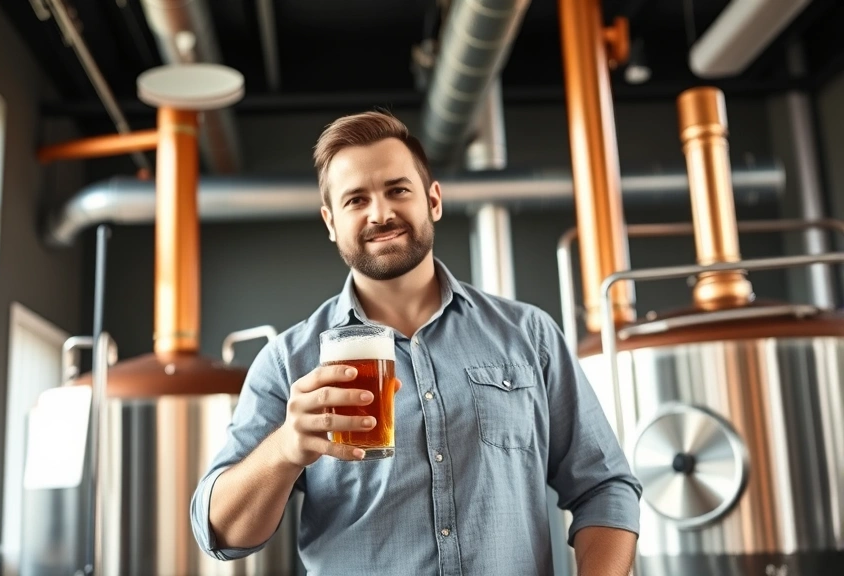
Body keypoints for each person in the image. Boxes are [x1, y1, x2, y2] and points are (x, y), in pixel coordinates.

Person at [190, 111, 642, 575]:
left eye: (397, 190)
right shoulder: (289, 362)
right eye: (355, 200)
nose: (380, 213)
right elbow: (219, 533)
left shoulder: (529, 334)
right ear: (330, 222)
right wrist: (285, 448)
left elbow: (604, 487)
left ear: (433, 200)